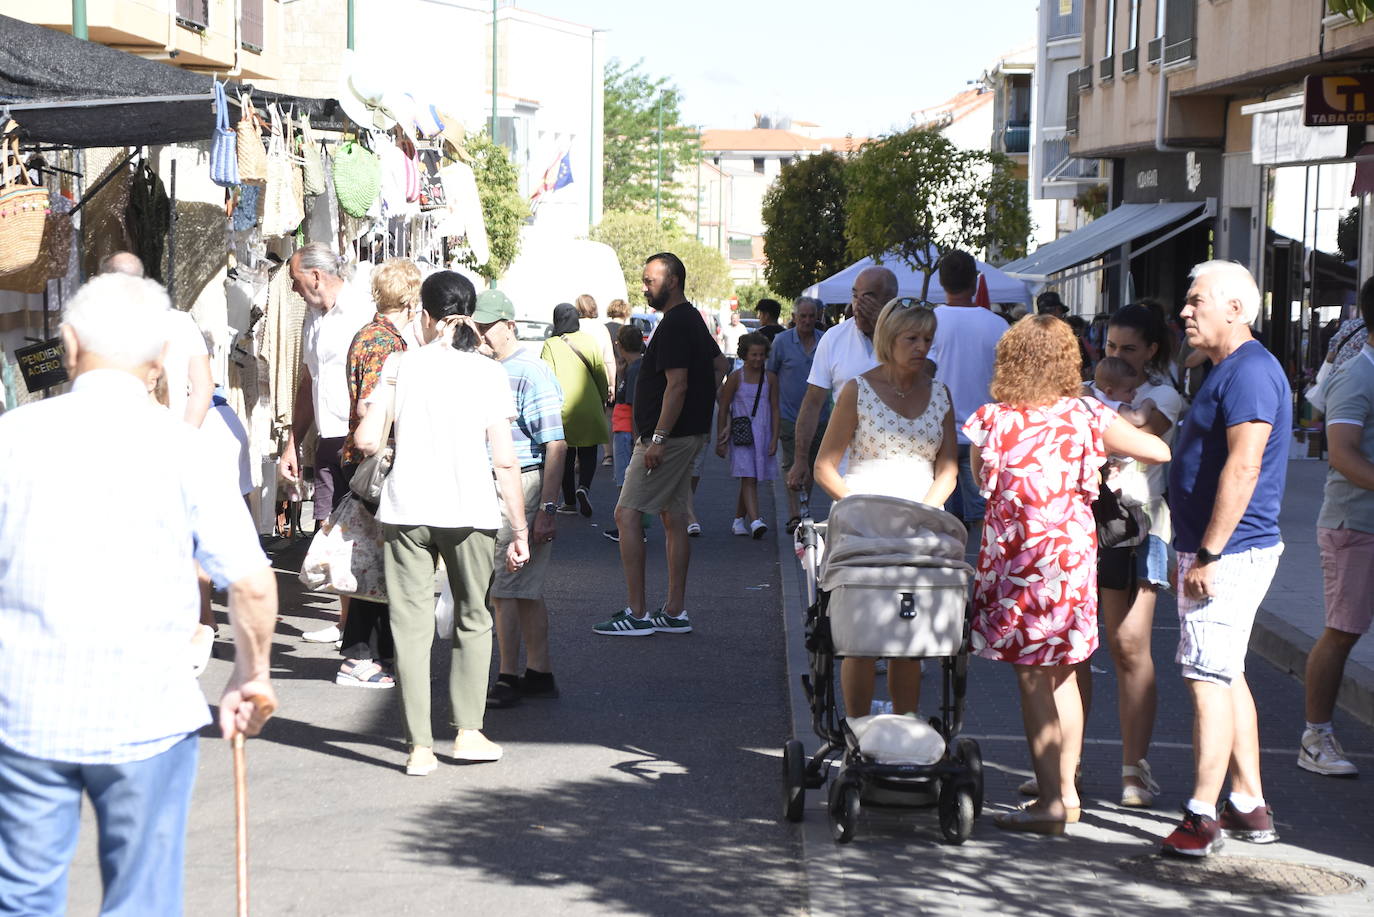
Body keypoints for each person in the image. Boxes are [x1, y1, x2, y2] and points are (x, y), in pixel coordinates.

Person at [0, 273, 278, 913]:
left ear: (68, 345)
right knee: (142, 900)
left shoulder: (12, 439)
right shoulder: (183, 449)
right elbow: (252, 582)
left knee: (20, 899)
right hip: (147, 716)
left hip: (23, 714)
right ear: (158, 364)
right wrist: (249, 672)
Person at [964, 315, 1168, 835]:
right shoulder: (1087, 414)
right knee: (1063, 672)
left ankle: (1053, 800)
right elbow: (1159, 449)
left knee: (1033, 677)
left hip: (1018, 562)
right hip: (1072, 562)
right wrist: (1110, 459)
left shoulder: (992, 420)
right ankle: (1067, 792)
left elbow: (981, 480)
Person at [354, 271, 529, 776]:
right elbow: (505, 461)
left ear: (424, 315)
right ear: (470, 314)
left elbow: (367, 441)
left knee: (410, 627)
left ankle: (419, 749)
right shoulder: (488, 372)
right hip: (471, 509)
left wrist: (380, 417)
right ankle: (469, 734)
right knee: (475, 618)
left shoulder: (399, 364)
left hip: (407, 509)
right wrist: (518, 529)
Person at [1161, 260, 1291, 857]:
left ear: (1235, 310)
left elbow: (1245, 466)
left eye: (1196, 301)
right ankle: (1246, 802)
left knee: (1207, 677)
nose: (1185, 311)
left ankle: (1200, 815)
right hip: (1218, 549)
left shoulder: (1251, 373)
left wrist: (1208, 553)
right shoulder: (1229, 369)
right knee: (1227, 670)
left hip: (1230, 552)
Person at [813, 299, 958, 718]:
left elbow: (947, 471)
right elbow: (825, 467)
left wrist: (925, 515)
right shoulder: (857, 390)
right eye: (912, 338)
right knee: (862, 637)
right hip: (862, 523)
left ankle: (904, 727)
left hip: (920, 524)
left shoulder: (940, 393)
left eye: (927, 339)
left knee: (908, 639)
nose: (921, 347)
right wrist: (861, 510)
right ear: (889, 339)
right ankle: (858, 728)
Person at [593, 252, 729, 636]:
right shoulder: (691, 320)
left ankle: (636, 613)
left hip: (668, 440)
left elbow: (679, 383)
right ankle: (674, 611)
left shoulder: (675, 324)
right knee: (674, 519)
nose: (644, 286)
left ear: (673, 281)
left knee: (627, 514)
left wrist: (660, 438)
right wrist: (703, 408)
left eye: (650, 280)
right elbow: (720, 366)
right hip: (685, 434)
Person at [1090, 303, 1188, 808]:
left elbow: (1141, 428)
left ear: (1151, 351)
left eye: (1128, 348)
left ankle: (1134, 769)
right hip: (1096, 524)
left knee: (1130, 645)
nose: (1117, 356)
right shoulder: (1095, 393)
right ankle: (1066, 768)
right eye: (1110, 347)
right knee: (1087, 646)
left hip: (1146, 525)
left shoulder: (1161, 393)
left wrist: (1097, 410)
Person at [472, 289, 568, 709]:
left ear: (509, 325)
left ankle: (508, 675)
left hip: (520, 483)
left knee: (507, 587)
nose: (479, 334)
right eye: (474, 326)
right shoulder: (488, 368)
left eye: (486, 326)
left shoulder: (529, 371)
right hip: (504, 482)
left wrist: (547, 508)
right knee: (520, 587)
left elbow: (555, 444)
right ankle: (539, 671)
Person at [332, 258, 421, 689]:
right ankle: (359, 656)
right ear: (410, 298)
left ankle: (377, 653)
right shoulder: (387, 344)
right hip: (376, 461)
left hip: (362, 455)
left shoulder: (365, 334)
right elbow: (371, 407)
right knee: (375, 562)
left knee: (378, 559)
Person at [280, 243, 373, 645]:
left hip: (361, 437)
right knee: (329, 525)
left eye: (296, 282)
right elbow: (309, 382)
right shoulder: (312, 318)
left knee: (363, 531)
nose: (296, 291)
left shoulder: (361, 310)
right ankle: (345, 622)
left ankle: (361, 626)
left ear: (315, 275)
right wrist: (291, 442)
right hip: (327, 436)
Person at [1300, 287, 1374, 778]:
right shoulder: (1357, 375)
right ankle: (1316, 735)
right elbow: (1343, 454)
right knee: (1342, 632)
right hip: (1356, 525)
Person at [786, 266, 899, 494]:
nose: (858, 304)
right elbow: (812, 403)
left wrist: (884, 325)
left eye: (867, 297)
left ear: (889, 301)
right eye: (855, 295)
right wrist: (800, 459)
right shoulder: (834, 338)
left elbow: (925, 379)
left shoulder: (910, 338)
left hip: (901, 469)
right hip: (849, 474)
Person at [928, 249, 1007, 526]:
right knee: (985, 523)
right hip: (984, 436)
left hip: (939, 434)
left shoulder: (929, 324)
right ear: (975, 281)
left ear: (941, 281)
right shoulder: (999, 325)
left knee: (942, 523)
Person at [100, 250, 214, 427]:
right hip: (170, 433)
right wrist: (187, 434)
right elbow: (203, 386)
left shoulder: (99, 325)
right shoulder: (181, 321)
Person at [542, 302, 611, 518]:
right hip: (589, 403)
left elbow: (547, 378)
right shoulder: (589, 341)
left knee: (565, 455)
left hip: (563, 408)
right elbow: (600, 372)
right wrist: (603, 397)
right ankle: (585, 488)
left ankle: (570, 502)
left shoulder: (551, 344)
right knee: (589, 450)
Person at [769, 296, 828, 531]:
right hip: (789, 414)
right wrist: (773, 406)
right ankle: (794, 514)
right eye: (802, 316)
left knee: (812, 464)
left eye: (811, 316)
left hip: (820, 415)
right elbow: (771, 375)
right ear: (793, 318)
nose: (806, 320)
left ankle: (805, 507)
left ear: (817, 317)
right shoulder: (781, 342)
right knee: (792, 462)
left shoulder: (825, 341)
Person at [716, 332, 780, 538]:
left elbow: (775, 408)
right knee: (749, 477)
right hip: (742, 435)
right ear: (744, 355)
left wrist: (774, 437)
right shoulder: (736, 378)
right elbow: (723, 407)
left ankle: (738, 520)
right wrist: (721, 438)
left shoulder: (770, 378)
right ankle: (755, 521)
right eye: (753, 355)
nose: (758, 359)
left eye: (761, 355)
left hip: (763, 433)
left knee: (750, 478)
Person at [604, 324, 649, 544]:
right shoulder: (634, 366)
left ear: (620, 345)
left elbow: (632, 405)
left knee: (625, 480)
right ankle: (631, 525)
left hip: (625, 430)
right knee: (628, 479)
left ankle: (628, 527)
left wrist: (634, 436)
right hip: (624, 429)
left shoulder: (635, 369)